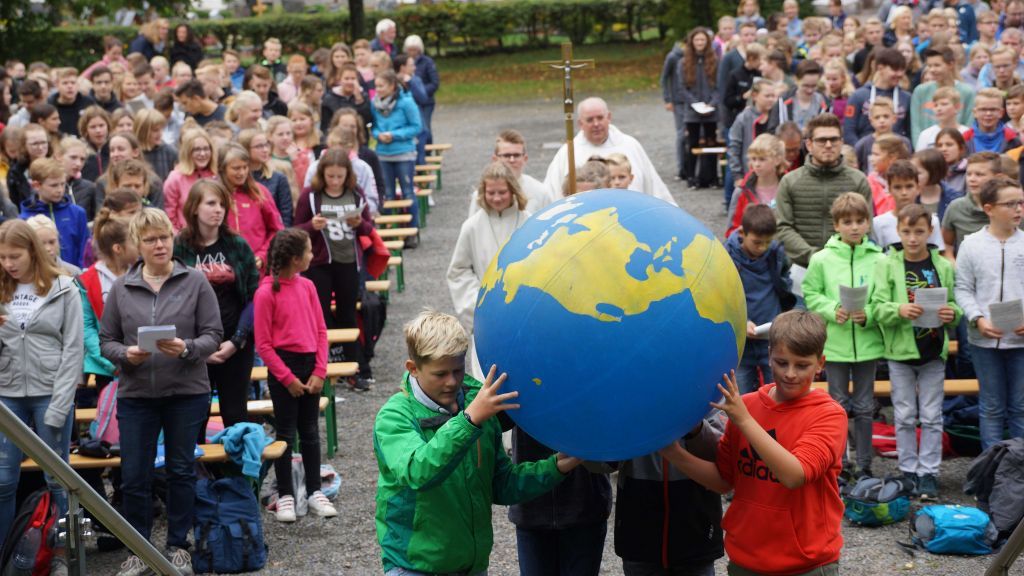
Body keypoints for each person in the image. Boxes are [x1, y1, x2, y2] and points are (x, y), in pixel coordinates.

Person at [373, 310, 581, 575]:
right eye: (440, 374)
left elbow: (501, 485)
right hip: (413, 567)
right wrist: (469, 420)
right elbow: (417, 471)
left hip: (472, 568)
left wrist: (556, 467)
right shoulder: (395, 417)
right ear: (413, 369)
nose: (452, 382)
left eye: (458, 370)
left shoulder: (477, 403)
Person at [659, 310, 846, 575]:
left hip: (806, 565)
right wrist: (674, 453)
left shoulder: (828, 414)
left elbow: (794, 475)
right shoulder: (746, 406)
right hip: (745, 560)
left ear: (821, 363)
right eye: (781, 362)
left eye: (802, 365)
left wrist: (744, 420)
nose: (790, 373)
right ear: (769, 355)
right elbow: (724, 480)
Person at [100, 208, 221, 576]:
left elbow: (213, 334)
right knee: (135, 475)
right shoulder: (122, 288)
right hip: (136, 394)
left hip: (186, 390)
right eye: (151, 239)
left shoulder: (195, 281)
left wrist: (185, 348)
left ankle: (178, 546)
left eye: (164, 237)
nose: (159, 245)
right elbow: (107, 340)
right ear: (138, 244)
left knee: (182, 470)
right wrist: (127, 354)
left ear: (173, 239)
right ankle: (138, 549)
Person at [0, 219, 82, 575]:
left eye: (14, 255)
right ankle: (5, 553)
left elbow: (73, 349)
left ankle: (61, 553)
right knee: (3, 480)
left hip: (51, 392)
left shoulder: (64, 287)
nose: (8, 264)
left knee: (57, 478)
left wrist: (60, 406)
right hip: (7, 395)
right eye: (2, 257)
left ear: (32, 250)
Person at [871, 203, 962, 500]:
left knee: (933, 415)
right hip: (900, 353)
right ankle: (908, 469)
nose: (913, 238)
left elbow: (956, 306)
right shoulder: (887, 264)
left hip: (933, 351)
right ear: (898, 231)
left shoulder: (943, 266)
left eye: (919, 232)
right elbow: (876, 307)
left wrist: (953, 314)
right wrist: (899, 309)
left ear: (930, 232)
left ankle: (929, 473)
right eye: (907, 231)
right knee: (906, 414)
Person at [255, 228, 338, 521]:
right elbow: (263, 345)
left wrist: (319, 371)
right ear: (294, 258)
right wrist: (286, 379)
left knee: (311, 432)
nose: (312, 255)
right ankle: (286, 494)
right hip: (283, 369)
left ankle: (315, 490)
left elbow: (320, 331)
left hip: (310, 365)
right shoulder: (266, 293)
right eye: (308, 251)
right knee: (286, 434)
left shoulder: (308, 286)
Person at [803, 192, 885, 478]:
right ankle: (837, 463)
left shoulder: (879, 259)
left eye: (860, 221)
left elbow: (884, 297)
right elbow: (811, 293)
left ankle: (864, 465)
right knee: (836, 405)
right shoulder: (822, 259)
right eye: (847, 221)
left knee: (864, 406)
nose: (854, 227)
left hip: (867, 343)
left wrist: (870, 314)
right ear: (836, 225)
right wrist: (832, 309)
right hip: (834, 344)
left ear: (868, 223)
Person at [173, 179, 258, 430]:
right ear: (195, 208)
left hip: (235, 343)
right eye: (211, 203)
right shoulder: (180, 246)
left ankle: (236, 469)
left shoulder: (237, 245)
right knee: (196, 415)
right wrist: (196, 347)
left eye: (222, 204)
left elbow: (255, 297)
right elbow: (173, 300)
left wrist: (236, 341)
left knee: (235, 413)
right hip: (194, 345)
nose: (218, 209)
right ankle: (198, 470)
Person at [293, 149, 378, 392]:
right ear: (322, 174)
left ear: (347, 175)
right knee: (320, 315)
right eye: (330, 176)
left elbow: (368, 228)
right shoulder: (311, 195)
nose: (335, 181)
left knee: (348, 313)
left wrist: (359, 223)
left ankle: (354, 368)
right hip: (319, 263)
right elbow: (296, 228)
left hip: (348, 261)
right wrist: (312, 225)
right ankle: (325, 365)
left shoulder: (355, 193)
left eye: (340, 176)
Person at [955, 176, 1024, 450]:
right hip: (984, 340)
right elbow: (962, 288)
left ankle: (1018, 477)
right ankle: (992, 477)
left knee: (1020, 407)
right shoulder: (971, 245)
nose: (1018, 209)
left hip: (1020, 341)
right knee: (992, 407)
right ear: (989, 208)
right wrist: (977, 318)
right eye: (1011, 204)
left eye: (1021, 202)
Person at [449, 162, 531, 379]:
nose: (496, 198)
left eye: (502, 192)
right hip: (487, 313)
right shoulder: (472, 227)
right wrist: (477, 302)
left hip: (522, 309)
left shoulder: (529, 222)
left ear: (513, 190)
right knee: (487, 376)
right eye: (490, 192)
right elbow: (458, 271)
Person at [774, 113, 872, 268]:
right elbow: (783, 227)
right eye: (821, 140)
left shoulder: (858, 180)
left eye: (834, 139)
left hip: (847, 265)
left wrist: (842, 255)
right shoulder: (790, 182)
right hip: (802, 268)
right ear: (809, 145)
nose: (828, 145)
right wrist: (814, 256)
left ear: (841, 143)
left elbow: (867, 226)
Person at [544, 97, 676, 206]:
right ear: (580, 123)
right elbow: (551, 194)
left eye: (600, 118)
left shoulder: (630, 145)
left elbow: (654, 186)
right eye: (590, 120)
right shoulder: (568, 152)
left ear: (609, 117)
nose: (596, 124)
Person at [728, 205, 794, 394]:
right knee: (744, 396)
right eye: (757, 242)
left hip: (772, 338)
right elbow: (722, 299)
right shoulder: (728, 257)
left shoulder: (776, 253)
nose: (762, 248)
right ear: (742, 233)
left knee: (779, 392)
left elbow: (785, 284)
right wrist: (742, 320)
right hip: (741, 342)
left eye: (767, 242)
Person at [371, 69, 422, 241]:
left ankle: (413, 231)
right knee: (387, 195)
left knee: (408, 192)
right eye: (376, 86)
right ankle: (391, 232)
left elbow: (416, 127)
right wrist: (378, 135)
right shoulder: (374, 103)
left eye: (381, 86)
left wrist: (394, 135)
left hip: (403, 153)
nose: (378, 89)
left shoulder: (406, 102)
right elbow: (375, 126)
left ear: (392, 86)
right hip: (383, 154)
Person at [217, 143, 284, 270]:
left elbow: (277, 230)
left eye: (245, 167)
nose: (242, 172)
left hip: (257, 270)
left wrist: (263, 255)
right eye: (236, 168)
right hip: (224, 271)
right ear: (222, 168)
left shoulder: (259, 192)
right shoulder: (213, 194)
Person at [19, 157, 89, 268]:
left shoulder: (77, 213)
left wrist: (82, 276)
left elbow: (84, 250)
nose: (60, 190)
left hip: (73, 276)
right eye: (54, 185)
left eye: (62, 184)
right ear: (36, 186)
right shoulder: (24, 219)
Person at [469, 130, 552, 215]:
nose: (512, 160)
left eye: (516, 155)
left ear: (525, 158)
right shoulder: (481, 196)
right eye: (506, 155)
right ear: (495, 159)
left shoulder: (541, 193)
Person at [871, 160, 945, 250]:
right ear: (889, 189)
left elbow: (937, 254)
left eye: (909, 186)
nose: (904, 192)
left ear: (918, 188)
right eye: (897, 187)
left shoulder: (932, 220)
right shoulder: (878, 223)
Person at [680, 28, 721, 189]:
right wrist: (695, 104)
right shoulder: (683, 63)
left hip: (711, 110)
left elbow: (719, 86)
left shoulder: (715, 61)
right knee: (693, 143)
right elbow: (682, 88)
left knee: (711, 143)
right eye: (697, 40)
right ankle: (691, 176)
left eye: (702, 40)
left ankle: (711, 177)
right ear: (692, 42)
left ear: (707, 42)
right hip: (693, 111)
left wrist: (712, 103)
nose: (700, 43)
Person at [844, 47, 911, 145]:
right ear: (880, 68)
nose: (900, 74)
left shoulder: (907, 98)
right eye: (895, 70)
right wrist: (861, 150)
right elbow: (849, 131)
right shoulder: (858, 96)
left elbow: (909, 132)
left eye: (902, 70)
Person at [910, 47, 976, 145]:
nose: (932, 70)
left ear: (951, 64)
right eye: (929, 65)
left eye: (937, 65)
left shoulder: (967, 92)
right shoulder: (921, 91)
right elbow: (916, 125)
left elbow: (969, 123)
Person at [942, 151, 1001, 260]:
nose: (972, 179)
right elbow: (946, 244)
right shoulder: (956, 207)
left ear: (997, 177)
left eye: (979, 174)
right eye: (968, 174)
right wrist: (955, 267)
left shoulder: (1010, 208)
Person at [727, 131, 787, 236]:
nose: (756, 164)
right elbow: (732, 230)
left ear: (777, 160)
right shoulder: (742, 192)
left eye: (762, 159)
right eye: (753, 159)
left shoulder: (789, 187)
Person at [163, 128, 217, 231]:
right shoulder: (175, 179)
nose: (202, 154)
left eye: (206, 149)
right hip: (186, 239)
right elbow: (169, 216)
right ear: (187, 152)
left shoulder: (216, 177)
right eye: (196, 149)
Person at [239, 128, 294, 227]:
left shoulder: (278, 178)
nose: (265, 150)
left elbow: (286, 217)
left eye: (266, 145)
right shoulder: (239, 179)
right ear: (245, 149)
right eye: (259, 146)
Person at [404, 35, 440, 166]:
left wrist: (421, 90)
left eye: (415, 50)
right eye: (410, 50)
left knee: (425, 129)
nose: (412, 53)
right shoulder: (405, 63)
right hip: (412, 101)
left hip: (426, 103)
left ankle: (426, 153)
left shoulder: (427, 62)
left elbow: (434, 82)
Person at [964, 88, 1022, 154]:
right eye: (983, 109)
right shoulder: (964, 140)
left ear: (1001, 113)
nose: (988, 113)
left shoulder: (1013, 139)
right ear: (975, 112)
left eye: (993, 109)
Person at [866, 133, 909, 216]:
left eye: (876, 154)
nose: (871, 159)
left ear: (892, 157)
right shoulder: (870, 180)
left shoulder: (908, 179)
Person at [58, 136, 99, 221]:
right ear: (59, 156)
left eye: (82, 159)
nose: (78, 164)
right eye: (73, 157)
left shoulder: (90, 187)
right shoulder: (48, 186)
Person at [47, 67, 94, 138]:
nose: (70, 86)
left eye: (73, 83)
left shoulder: (88, 103)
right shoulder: (50, 105)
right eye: (65, 83)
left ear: (78, 85)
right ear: (57, 85)